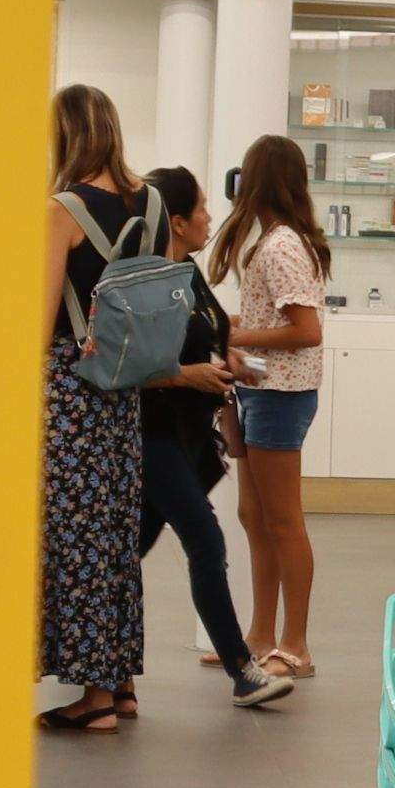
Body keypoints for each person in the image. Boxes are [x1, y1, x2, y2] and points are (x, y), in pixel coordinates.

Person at [135, 166, 285, 711]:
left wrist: (228, 361)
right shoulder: (146, 281)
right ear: (175, 221)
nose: (209, 216)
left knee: (128, 552)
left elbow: (209, 335)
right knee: (205, 537)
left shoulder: (189, 272)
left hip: (188, 434)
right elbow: (131, 364)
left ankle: (108, 679)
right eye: (200, 207)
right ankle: (242, 670)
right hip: (153, 432)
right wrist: (189, 374)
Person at [39, 86, 156, 734]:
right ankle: (122, 679)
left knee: (74, 536)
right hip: (127, 386)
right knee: (114, 534)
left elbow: (41, 314)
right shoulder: (154, 203)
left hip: (74, 386)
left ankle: (94, 699)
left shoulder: (63, 209)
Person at [206, 135, 331, 690]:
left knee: (282, 520)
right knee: (255, 518)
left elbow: (306, 332)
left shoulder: (280, 246)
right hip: (263, 388)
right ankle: (259, 636)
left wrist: (235, 331)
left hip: (281, 394)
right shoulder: (281, 241)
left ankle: (296, 645)